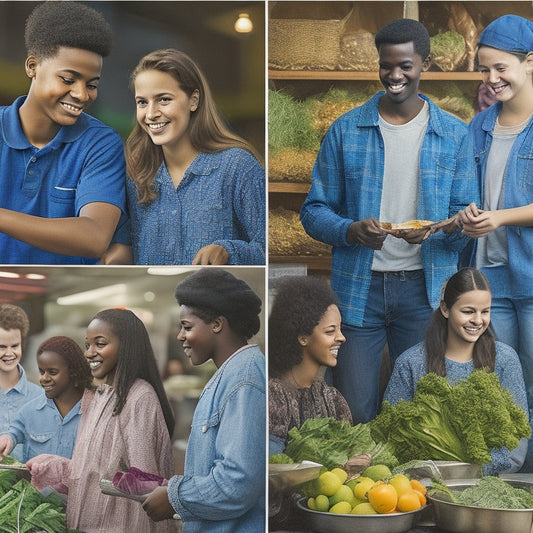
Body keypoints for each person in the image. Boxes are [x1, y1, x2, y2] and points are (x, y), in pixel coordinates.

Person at [299, 18, 476, 424]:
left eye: (405, 66)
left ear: (425, 64)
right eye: (386, 65)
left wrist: (437, 231)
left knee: (420, 410)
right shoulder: (346, 130)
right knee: (354, 407)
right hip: (359, 291)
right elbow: (313, 211)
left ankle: (412, 487)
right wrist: (351, 231)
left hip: (425, 290)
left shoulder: (454, 134)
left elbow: (465, 216)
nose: (394, 75)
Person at [455, 14, 533, 471]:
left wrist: (500, 217)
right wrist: (467, 212)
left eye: (501, 67)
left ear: (529, 61)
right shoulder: (479, 125)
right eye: (484, 70)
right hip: (491, 280)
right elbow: (467, 191)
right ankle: (507, 481)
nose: (492, 78)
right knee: (501, 385)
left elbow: (502, 210)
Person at [106, 48, 265, 265]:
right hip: (152, 298)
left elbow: (269, 252)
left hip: (218, 299)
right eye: (142, 102)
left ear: (193, 101)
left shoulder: (237, 167)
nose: (151, 113)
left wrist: (228, 250)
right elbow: (124, 252)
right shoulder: (134, 175)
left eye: (163, 99)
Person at [27, 309, 177, 533]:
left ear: (126, 347)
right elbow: (93, 468)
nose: (89, 353)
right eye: (87, 345)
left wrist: (103, 479)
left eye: (100, 344)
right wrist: (58, 467)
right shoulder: (100, 396)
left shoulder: (140, 397)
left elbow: (147, 484)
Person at [0, 1, 126, 264]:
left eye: (91, 84)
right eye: (68, 80)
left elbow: (94, 238)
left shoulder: (101, 143)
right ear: (32, 66)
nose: (81, 95)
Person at [142, 269, 266, 532]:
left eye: (187, 327)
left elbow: (238, 483)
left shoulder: (245, 379)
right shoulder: (232, 372)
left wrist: (175, 497)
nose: (180, 336)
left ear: (217, 324)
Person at [384, 267, 529, 474]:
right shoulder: (411, 363)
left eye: (485, 311)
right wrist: (433, 472)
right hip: (424, 483)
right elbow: (391, 433)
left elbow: (516, 444)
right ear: (445, 309)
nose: (478, 320)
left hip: (489, 482)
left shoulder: (505, 360)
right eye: (468, 311)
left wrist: (470, 471)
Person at [268, 275, 351, 456]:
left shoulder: (333, 400)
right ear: (303, 337)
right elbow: (273, 467)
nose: (342, 337)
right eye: (331, 331)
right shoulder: (273, 398)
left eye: (340, 329)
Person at [0, 336, 93, 462]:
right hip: (36, 482)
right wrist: (8, 439)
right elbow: (15, 432)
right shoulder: (30, 411)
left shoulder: (97, 412)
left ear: (73, 373)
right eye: (42, 372)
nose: (44, 378)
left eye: (52, 372)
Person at [0, 304, 42, 461]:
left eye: (14, 346)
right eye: (2, 347)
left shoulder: (41, 398)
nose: (9, 353)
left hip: (29, 485)